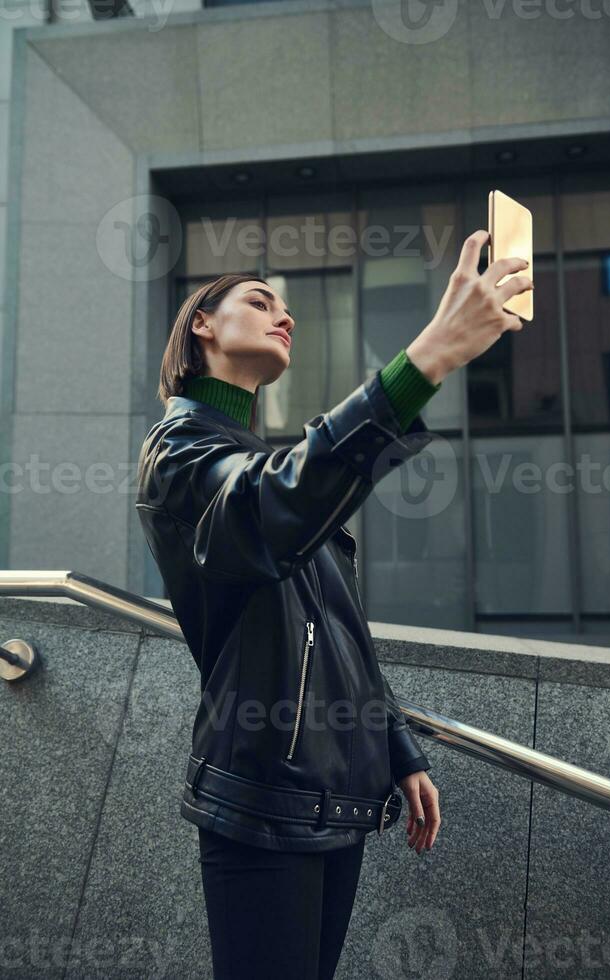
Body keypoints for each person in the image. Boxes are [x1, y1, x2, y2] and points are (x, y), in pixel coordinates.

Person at [135, 229, 533, 980]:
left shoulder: (255, 460)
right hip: (261, 798)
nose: (283, 314)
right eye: (259, 301)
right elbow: (266, 508)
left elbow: (336, 631)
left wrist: (395, 747)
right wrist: (427, 361)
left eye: (287, 307)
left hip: (336, 799)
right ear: (202, 324)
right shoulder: (179, 452)